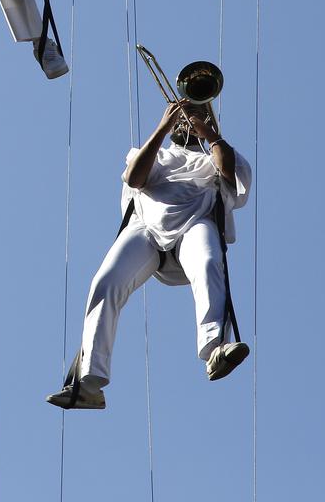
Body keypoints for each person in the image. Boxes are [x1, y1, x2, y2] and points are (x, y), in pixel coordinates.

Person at [47, 100, 253, 410]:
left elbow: (230, 175)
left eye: (199, 115)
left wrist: (209, 134)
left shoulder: (220, 153)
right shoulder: (159, 153)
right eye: (185, 118)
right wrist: (162, 128)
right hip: (145, 228)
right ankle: (89, 382)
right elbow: (134, 178)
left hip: (196, 222)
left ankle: (215, 348)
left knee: (209, 263)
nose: (188, 122)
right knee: (106, 282)